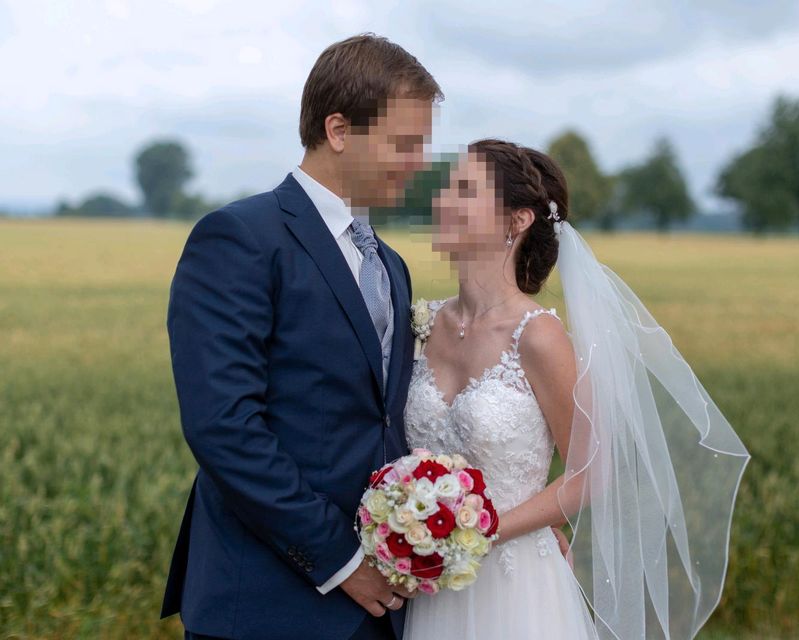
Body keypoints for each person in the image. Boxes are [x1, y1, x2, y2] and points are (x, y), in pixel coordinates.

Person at [402, 139, 751, 639]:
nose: (441, 201)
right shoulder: (421, 323)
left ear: (516, 221)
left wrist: (478, 532)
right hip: (426, 585)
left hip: (514, 583)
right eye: (445, 188)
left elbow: (589, 473)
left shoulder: (538, 336)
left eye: (464, 190)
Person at [161, 33, 442, 640]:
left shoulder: (391, 264)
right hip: (267, 601)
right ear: (339, 130)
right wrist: (341, 563)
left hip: (383, 606)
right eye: (403, 143)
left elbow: (385, 420)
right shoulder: (238, 238)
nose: (418, 162)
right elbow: (223, 426)